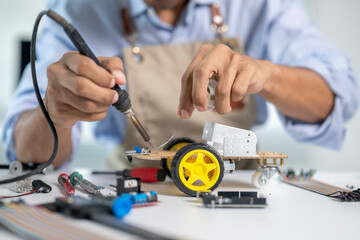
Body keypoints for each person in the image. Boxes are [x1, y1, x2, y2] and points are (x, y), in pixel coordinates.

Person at [2, 0, 359, 169]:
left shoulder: (261, 5)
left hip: (237, 198)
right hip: (135, 195)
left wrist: (269, 75)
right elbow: (27, 157)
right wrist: (56, 115)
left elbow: (336, 99)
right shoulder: (76, 12)